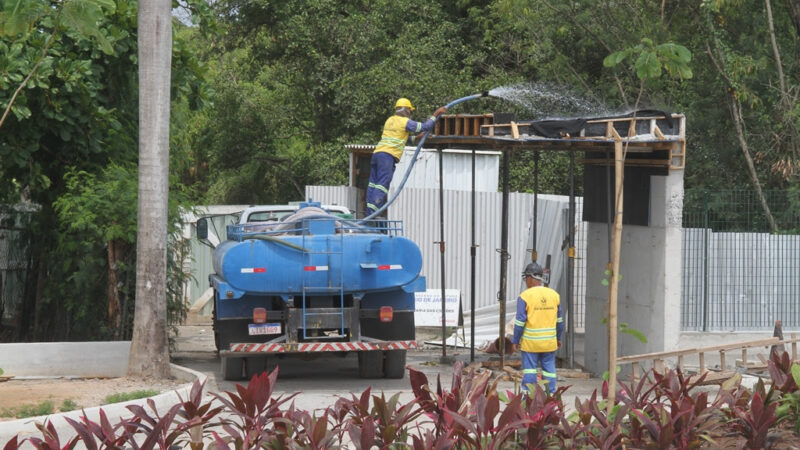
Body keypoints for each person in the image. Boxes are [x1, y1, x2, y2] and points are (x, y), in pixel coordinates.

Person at [365, 98, 448, 216]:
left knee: (373, 183)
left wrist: (416, 138)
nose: (410, 113)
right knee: (382, 184)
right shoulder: (405, 122)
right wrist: (436, 113)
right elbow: (425, 126)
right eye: (410, 110)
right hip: (388, 156)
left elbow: (401, 137)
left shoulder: (389, 120)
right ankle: (372, 215)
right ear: (406, 110)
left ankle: (368, 214)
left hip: (377, 154)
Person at [511, 262, 564, 394]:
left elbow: (519, 322)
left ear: (529, 278)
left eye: (525, 279)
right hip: (549, 344)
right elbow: (560, 322)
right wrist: (558, 338)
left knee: (530, 371)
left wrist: (515, 341)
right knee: (550, 371)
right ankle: (550, 395)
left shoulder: (525, 296)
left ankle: (528, 397)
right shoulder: (554, 295)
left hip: (531, 344)